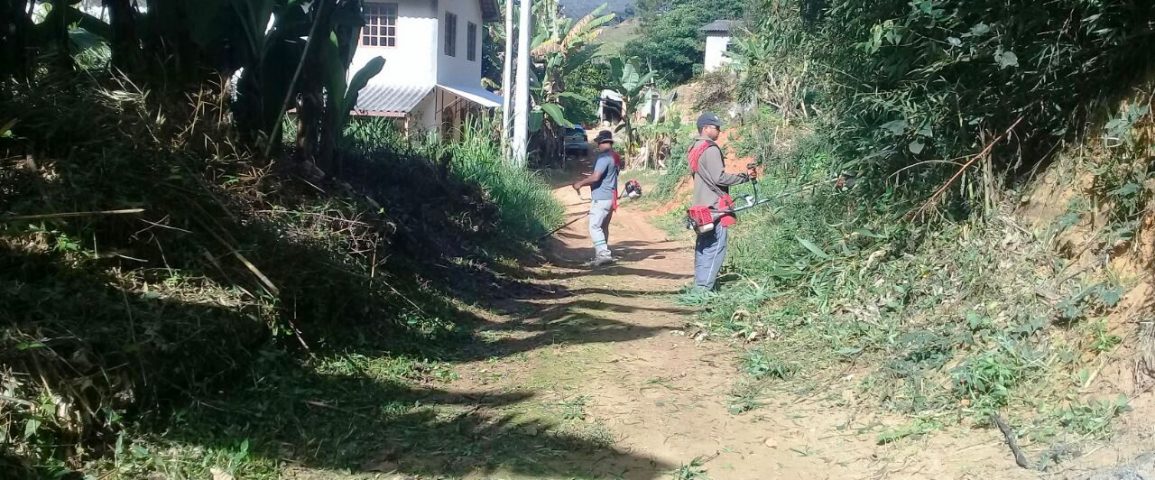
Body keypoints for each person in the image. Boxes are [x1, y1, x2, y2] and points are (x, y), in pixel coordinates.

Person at [688, 112, 753, 291]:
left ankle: (699, 285)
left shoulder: (694, 147)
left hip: (700, 206)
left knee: (703, 247)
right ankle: (704, 289)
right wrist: (743, 178)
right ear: (705, 128)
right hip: (715, 207)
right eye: (716, 127)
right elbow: (719, 178)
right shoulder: (710, 148)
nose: (719, 131)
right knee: (716, 247)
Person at [572, 130, 621, 266]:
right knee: (603, 227)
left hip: (601, 197)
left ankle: (603, 255)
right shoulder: (615, 157)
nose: (598, 146)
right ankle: (602, 255)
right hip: (611, 197)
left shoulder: (603, 158)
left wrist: (580, 184)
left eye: (598, 143)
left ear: (601, 142)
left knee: (594, 226)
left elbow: (596, 177)